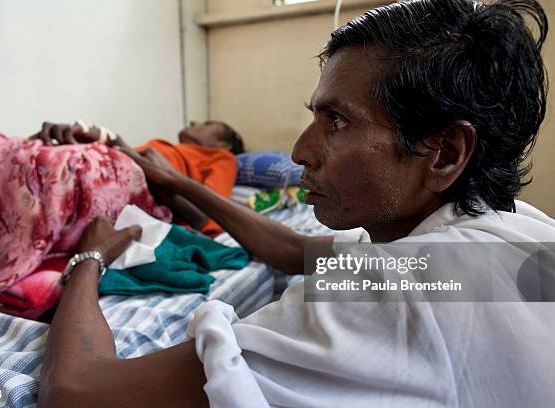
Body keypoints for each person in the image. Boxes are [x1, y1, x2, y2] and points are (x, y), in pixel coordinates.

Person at [38, 0, 555, 407]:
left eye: (337, 121)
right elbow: (291, 251)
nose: (300, 152)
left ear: (444, 152)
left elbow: (78, 394)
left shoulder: (400, 290)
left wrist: (91, 258)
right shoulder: (510, 232)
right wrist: (177, 180)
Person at [32, 120, 244, 235]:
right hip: (112, 166)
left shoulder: (223, 158)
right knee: (33, 154)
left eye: (207, 123)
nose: (193, 121)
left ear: (224, 145)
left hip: (131, 183)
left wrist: (160, 176)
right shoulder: (166, 148)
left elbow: (208, 216)